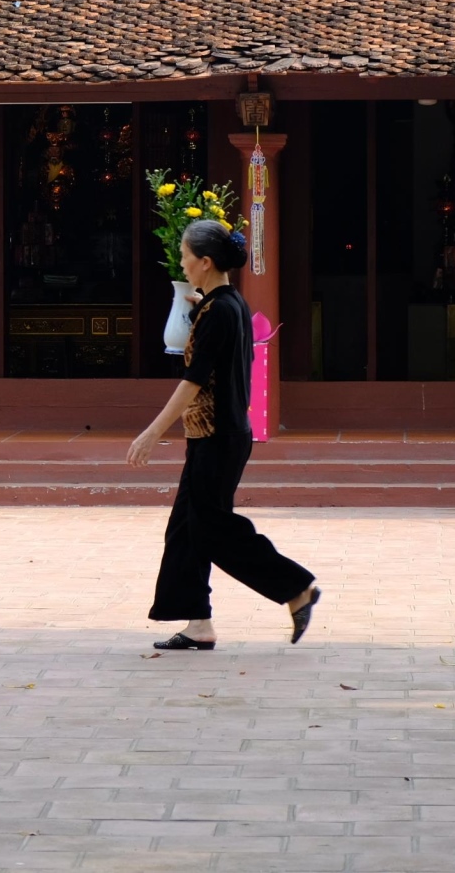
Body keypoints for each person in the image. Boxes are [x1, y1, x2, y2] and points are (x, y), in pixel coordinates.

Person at [127, 219, 321, 650]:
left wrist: (152, 433)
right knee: (185, 528)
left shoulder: (220, 312)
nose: (181, 262)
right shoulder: (225, 303)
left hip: (218, 435)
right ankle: (198, 623)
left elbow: (193, 381)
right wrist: (198, 305)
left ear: (206, 261)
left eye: (184, 256)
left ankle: (296, 587)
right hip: (214, 435)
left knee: (214, 529)